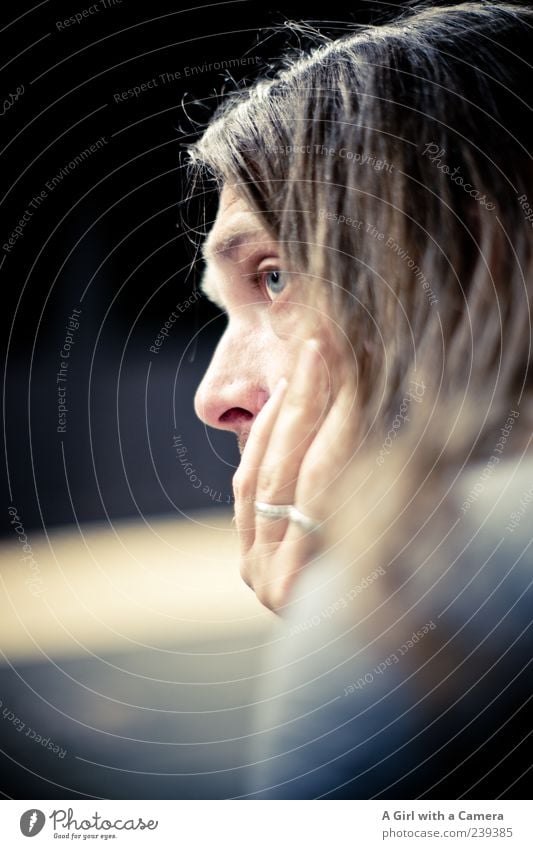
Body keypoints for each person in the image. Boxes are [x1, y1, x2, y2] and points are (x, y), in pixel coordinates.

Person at [186, 1, 533, 797]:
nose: (215, 396)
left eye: (274, 275)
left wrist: (360, 638)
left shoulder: (444, 581)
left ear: (464, 258)